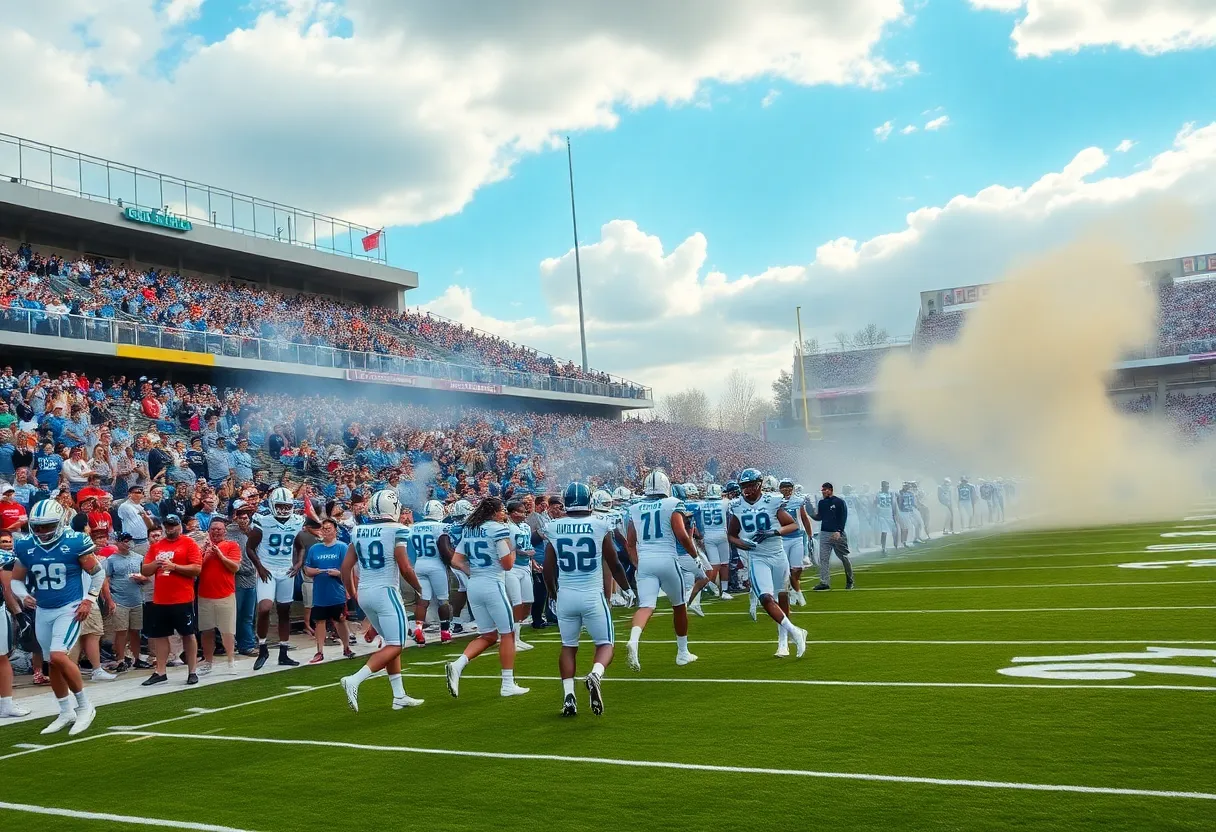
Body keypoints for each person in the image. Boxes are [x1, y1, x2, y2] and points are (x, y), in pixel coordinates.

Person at [9, 499, 103, 734]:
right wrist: (23, 595)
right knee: (52, 663)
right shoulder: (26, 545)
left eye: (47, 526)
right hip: (43, 610)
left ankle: (84, 706)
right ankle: (65, 710)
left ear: (60, 522)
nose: (41, 531)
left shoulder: (74, 541)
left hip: (69, 607)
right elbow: (16, 580)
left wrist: (88, 600)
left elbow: (97, 574)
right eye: (37, 526)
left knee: (58, 656)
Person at [543, 482, 630, 716]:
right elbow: (615, 563)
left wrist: (553, 593)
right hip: (592, 595)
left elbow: (548, 568)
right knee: (605, 643)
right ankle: (596, 674)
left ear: (566, 502)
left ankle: (568, 696)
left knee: (568, 647)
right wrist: (627, 589)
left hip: (566, 596)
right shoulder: (600, 525)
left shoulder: (553, 527)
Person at [339, 490, 424, 711]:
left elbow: (345, 567)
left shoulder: (358, 530)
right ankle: (355, 679)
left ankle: (399, 696)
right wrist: (420, 588)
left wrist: (354, 594)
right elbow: (405, 566)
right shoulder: (398, 530)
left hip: (366, 592)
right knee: (398, 643)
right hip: (386, 590)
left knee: (390, 642)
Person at [443, 496, 530, 699]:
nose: (504, 514)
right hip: (493, 584)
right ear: (493, 511)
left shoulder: (471, 528)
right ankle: (507, 684)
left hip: (475, 586)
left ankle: (458, 665)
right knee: (507, 634)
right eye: (501, 510)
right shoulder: (497, 529)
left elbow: (456, 560)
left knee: (488, 636)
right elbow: (507, 564)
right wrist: (513, 548)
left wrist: (470, 571)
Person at [624, 469, 701, 672]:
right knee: (679, 605)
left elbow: (630, 544)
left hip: (646, 561)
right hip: (667, 559)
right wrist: (695, 556)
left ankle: (634, 639)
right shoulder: (673, 503)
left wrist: (639, 565)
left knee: (646, 606)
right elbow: (682, 535)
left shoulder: (635, 508)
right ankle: (682, 653)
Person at [727, 468, 807, 658]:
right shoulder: (736, 505)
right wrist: (742, 544)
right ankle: (796, 631)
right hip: (757, 556)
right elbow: (731, 535)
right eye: (744, 486)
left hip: (778, 554)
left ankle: (783, 642)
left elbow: (793, 525)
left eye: (750, 486)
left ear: (759, 484)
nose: (747, 490)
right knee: (765, 598)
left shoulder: (772, 501)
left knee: (782, 597)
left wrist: (774, 531)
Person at [245, 487, 305, 670]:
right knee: (264, 608)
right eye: (280, 505)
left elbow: (300, 546)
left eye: (287, 506)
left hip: (286, 570)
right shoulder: (263, 521)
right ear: (272, 504)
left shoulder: (297, 521)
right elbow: (249, 547)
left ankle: (283, 652)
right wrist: (260, 567)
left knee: (284, 611)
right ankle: (263, 648)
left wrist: (298, 563)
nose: (284, 510)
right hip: (268, 570)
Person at [140, 514, 202, 686]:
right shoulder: (157, 546)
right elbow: (145, 570)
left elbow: (196, 569)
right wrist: (157, 564)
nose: (170, 529)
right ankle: (160, 671)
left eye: (173, 525)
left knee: (188, 635)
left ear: (179, 526)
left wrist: (174, 567)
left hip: (182, 598)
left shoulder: (188, 543)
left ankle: (192, 670)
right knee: (160, 636)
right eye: (167, 525)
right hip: (160, 599)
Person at [303, 518, 355, 663]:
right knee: (320, 621)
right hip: (320, 592)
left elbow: (348, 569)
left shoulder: (342, 547)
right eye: (324, 529)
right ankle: (319, 651)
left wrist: (339, 575)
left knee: (340, 619)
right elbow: (307, 568)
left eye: (329, 528)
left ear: (335, 530)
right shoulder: (315, 549)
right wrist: (316, 571)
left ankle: (346, 647)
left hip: (337, 591)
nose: (326, 531)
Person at [197, 517, 241, 675]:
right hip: (205, 594)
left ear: (225, 531)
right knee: (206, 630)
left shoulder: (232, 545)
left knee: (227, 630)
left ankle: (231, 660)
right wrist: (206, 552)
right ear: (208, 531)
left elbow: (234, 567)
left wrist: (220, 555)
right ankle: (208, 662)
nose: (216, 532)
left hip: (225, 594)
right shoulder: (202, 548)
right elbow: (197, 569)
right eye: (213, 529)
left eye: (219, 529)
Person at [409, 500, 452, 645]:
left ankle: (419, 629)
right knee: (443, 600)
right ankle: (445, 632)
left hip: (420, 563)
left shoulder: (413, 527)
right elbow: (445, 547)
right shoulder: (442, 527)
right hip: (436, 564)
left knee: (423, 600)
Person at [104, 532, 149, 669]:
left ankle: (137, 658)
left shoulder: (139, 558)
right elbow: (105, 580)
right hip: (119, 599)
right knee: (121, 631)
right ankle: (120, 659)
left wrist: (142, 579)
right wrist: (110, 600)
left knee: (136, 630)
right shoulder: (111, 560)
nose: (127, 543)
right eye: (124, 541)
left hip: (136, 598)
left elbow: (146, 576)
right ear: (118, 542)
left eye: (129, 541)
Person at [0, 532, 31, 718]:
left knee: (2, 657)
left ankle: (5, 704)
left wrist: (19, 615)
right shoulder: (4, 558)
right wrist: (19, 615)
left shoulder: (5, 557)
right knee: (1, 658)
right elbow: (7, 590)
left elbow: (6, 589)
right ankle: (5, 704)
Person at [504, 499, 536, 651]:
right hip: (512, 568)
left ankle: (517, 636)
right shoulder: (507, 528)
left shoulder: (525, 527)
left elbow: (527, 545)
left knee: (528, 601)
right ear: (513, 513)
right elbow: (507, 548)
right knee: (516, 602)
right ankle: (511, 638)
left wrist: (533, 561)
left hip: (525, 567)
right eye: (521, 511)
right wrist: (521, 552)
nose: (525, 514)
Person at [811, 483, 854, 592]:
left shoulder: (839, 502)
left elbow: (843, 516)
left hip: (837, 533)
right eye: (822, 490)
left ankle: (850, 580)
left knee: (844, 557)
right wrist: (810, 512)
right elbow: (820, 517)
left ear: (831, 490)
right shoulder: (821, 502)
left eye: (825, 490)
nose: (823, 492)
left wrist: (839, 531)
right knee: (824, 559)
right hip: (825, 533)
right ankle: (824, 582)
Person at [778, 478, 813, 607]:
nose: (786, 489)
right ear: (779, 488)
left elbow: (804, 518)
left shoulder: (798, 501)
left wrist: (809, 535)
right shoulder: (775, 501)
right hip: (782, 539)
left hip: (796, 537)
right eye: (783, 487)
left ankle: (794, 590)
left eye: (789, 487)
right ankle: (796, 594)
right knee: (784, 570)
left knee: (797, 568)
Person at [697, 483, 732, 601]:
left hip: (708, 536)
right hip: (722, 535)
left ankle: (709, 587)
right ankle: (724, 590)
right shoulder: (724, 502)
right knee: (724, 564)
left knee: (713, 565)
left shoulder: (701, 504)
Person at [875, 481, 897, 554]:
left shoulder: (891, 493)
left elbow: (893, 503)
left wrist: (894, 513)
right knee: (884, 531)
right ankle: (883, 547)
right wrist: (877, 512)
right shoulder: (878, 494)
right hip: (882, 514)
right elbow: (876, 503)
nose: (887, 487)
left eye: (888, 486)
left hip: (889, 513)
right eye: (886, 486)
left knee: (895, 530)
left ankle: (895, 544)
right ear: (882, 487)